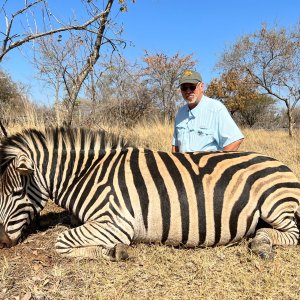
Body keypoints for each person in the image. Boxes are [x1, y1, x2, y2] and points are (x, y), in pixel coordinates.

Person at [172, 70, 244, 152]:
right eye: (184, 88)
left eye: (192, 87)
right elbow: (175, 147)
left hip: (207, 164)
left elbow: (235, 141)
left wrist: (219, 164)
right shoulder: (180, 113)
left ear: (201, 87)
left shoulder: (216, 108)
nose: (188, 91)